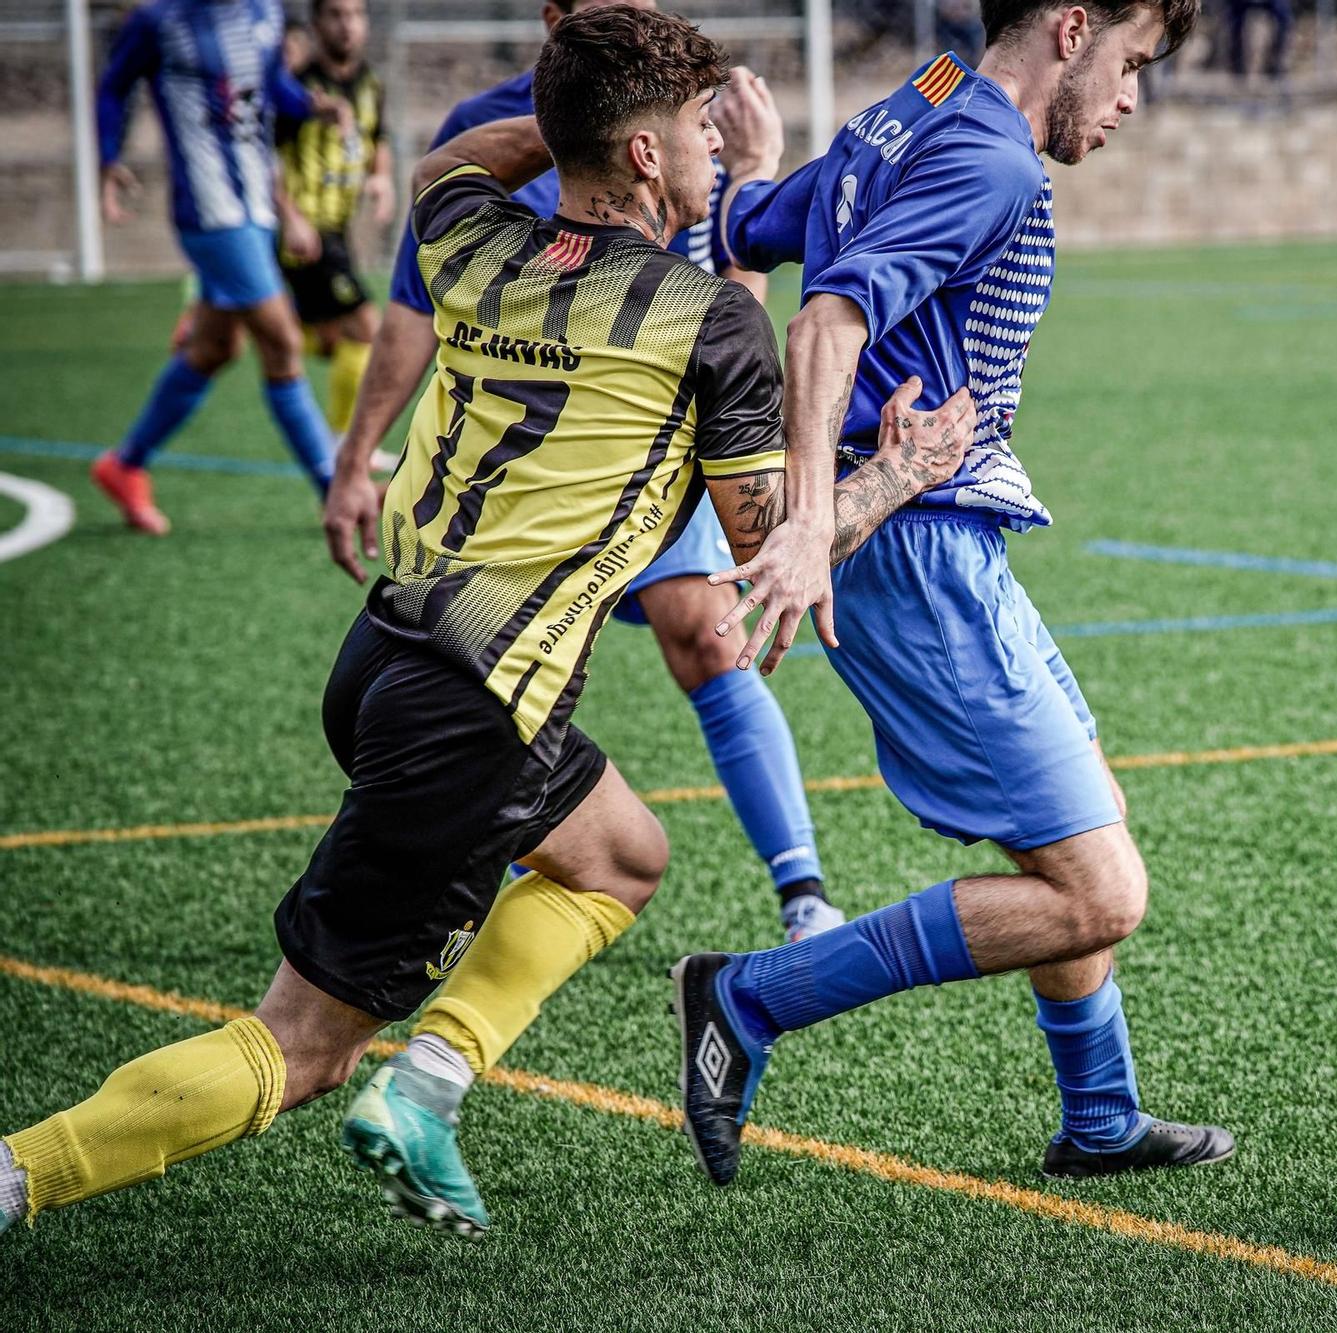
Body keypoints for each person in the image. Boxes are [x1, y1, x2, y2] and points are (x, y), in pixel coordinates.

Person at [0, 6, 972, 1242]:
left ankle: (433, 1082)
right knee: (296, 1049)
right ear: (638, 155)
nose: (713, 148)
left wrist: (573, 114)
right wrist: (900, 474)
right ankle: (20, 1171)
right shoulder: (708, 319)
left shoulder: (466, 236)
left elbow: (441, 170)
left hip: (385, 657)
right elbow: (764, 547)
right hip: (478, 709)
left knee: (619, 855)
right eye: (691, 129)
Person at [671, 0, 1236, 1187]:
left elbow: (757, 224)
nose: (1131, 97)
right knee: (1097, 892)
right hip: (915, 553)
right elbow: (829, 316)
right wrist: (817, 521)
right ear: (1071, 26)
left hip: (941, 540)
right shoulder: (987, 159)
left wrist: (748, 184)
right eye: (1130, 63)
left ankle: (1099, 1118)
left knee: (1075, 841)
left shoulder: (910, 107)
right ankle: (746, 997)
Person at [326, 0, 842, 945]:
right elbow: (407, 307)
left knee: (693, 663)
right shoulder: (539, 129)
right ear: (560, 18)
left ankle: (800, 884)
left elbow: (435, 185)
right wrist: (355, 455)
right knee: (309, 1037)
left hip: (649, 448)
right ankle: (446, 989)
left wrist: (623, 120)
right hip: (556, 500)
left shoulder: (526, 155)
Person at [91, 0, 351, 536]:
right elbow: (114, 87)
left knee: (214, 348)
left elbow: (267, 86)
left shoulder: (265, 13)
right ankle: (337, 490)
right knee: (281, 340)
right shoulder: (159, 21)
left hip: (255, 201)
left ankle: (125, 464)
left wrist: (309, 105)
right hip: (209, 209)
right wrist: (109, 158)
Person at [274, 0, 393, 436]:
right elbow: (265, 158)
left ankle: (248, 319)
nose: (348, 26)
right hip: (305, 229)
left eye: (357, 14)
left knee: (327, 340)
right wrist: (289, 216)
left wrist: (382, 180)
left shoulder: (370, 84)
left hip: (336, 229)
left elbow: (377, 137)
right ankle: (345, 441)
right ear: (317, 23)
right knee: (364, 327)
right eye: (337, 15)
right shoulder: (295, 88)